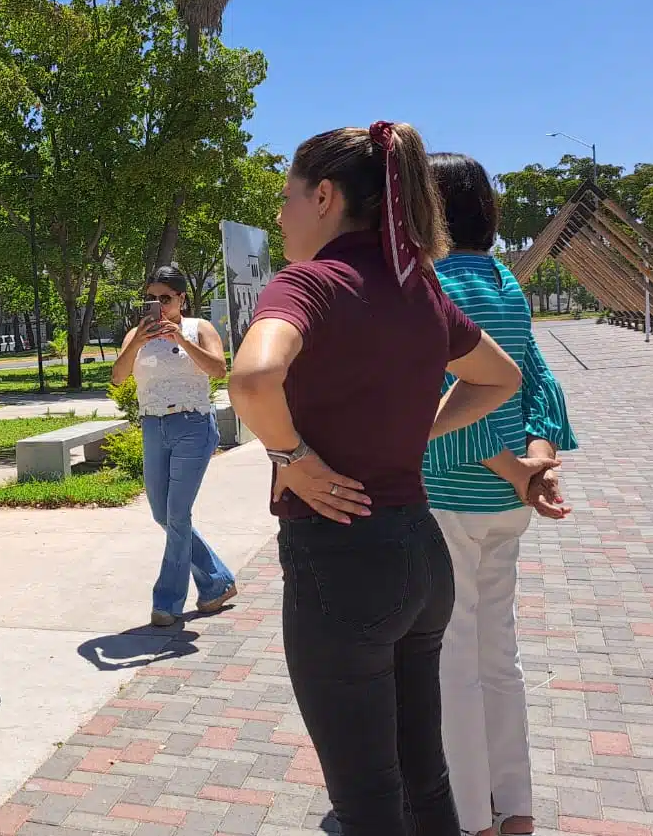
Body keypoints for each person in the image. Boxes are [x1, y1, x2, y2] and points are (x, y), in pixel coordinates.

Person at [227, 121, 526, 836]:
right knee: (426, 781)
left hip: (340, 563)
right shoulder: (418, 287)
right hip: (422, 556)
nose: (279, 214)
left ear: (324, 196)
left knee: (367, 802)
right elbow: (500, 377)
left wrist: (292, 458)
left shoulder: (308, 283)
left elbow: (253, 376)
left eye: (287, 197)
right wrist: (420, 427)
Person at [423, 152, 577, 836]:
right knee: (498, 655)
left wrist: (515, 468)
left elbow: (444, 405)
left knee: (452, 663)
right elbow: (537, 381)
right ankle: (514, 808)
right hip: (507, 507)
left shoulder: (432, 289)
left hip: (450, 495)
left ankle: (468, 817)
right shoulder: (506, 284)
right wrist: (535, 465)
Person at [109, 265, 237, 627]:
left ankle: (167, 602)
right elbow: (118, 378)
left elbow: (217, 370)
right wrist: (137, 342)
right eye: (152, 299)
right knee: (161, 514)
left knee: (178, 515)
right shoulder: (136, 334)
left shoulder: (200, 328)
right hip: (153, 426)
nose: (159, 305)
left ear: (182, 298)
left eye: (166, 298)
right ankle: (217, 582)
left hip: (193, 426)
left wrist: (180, 339)